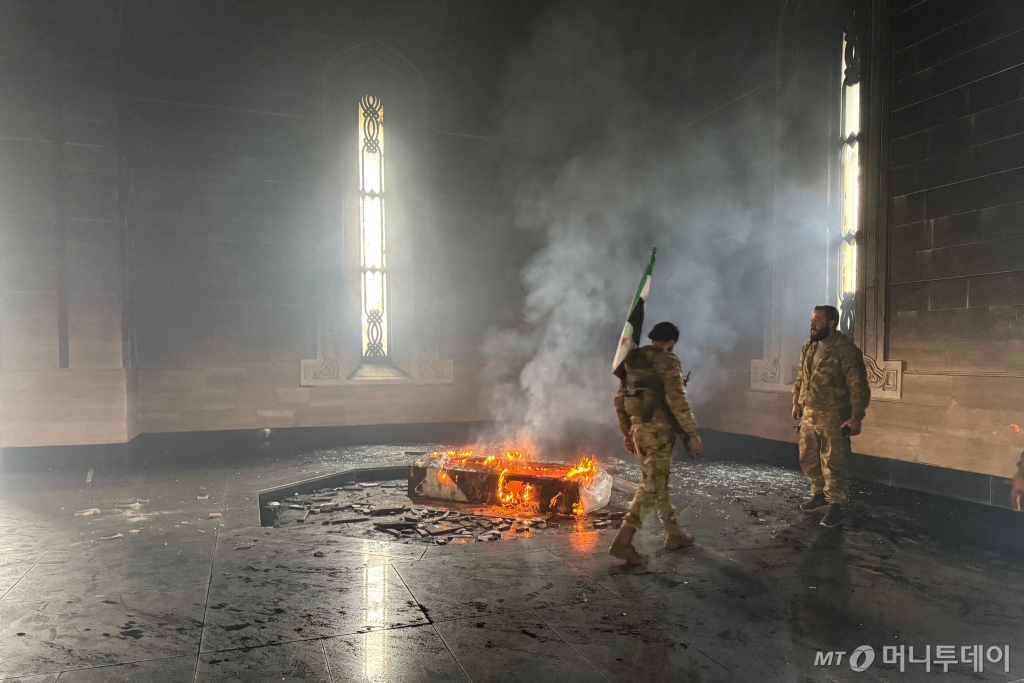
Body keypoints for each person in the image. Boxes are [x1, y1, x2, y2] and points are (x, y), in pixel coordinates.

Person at [609, 321, 702, 564]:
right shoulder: (667, 361)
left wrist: (628, 433)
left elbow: (619, 400)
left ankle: (673, 533)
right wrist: (691, 433)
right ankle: (623, 540)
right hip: (659, 431)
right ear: (672, 341)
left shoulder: (632, 360)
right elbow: (676, 399)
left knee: (658, 482)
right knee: (651, 486)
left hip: (639, 430)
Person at [791, 305, 870, 528]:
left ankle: (835, 506)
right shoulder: (809, 347)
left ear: (832, 322)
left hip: (834, 415)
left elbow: (858, 386)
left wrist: (856, 416)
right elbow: (801, 378)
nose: (812, 324)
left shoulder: (846, 351)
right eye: (811, 320)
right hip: (809, 413)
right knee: (808, 457)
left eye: (817, 320)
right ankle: (818, 494)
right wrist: (796, 402)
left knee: (832, 460)